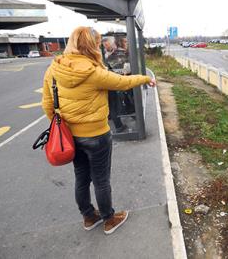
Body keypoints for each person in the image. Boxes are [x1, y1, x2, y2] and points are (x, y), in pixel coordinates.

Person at [41, 26, 156, 235]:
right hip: (96, 135)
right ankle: (109, 219)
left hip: (71, 137)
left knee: (81, 178)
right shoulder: (92, 72)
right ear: (91, 46)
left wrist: (63, 129)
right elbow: (123, 82)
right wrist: (146, 78)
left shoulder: (54, 69)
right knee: (101, 179)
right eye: (97, 43)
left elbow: (48, 105)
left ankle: (88, 216)